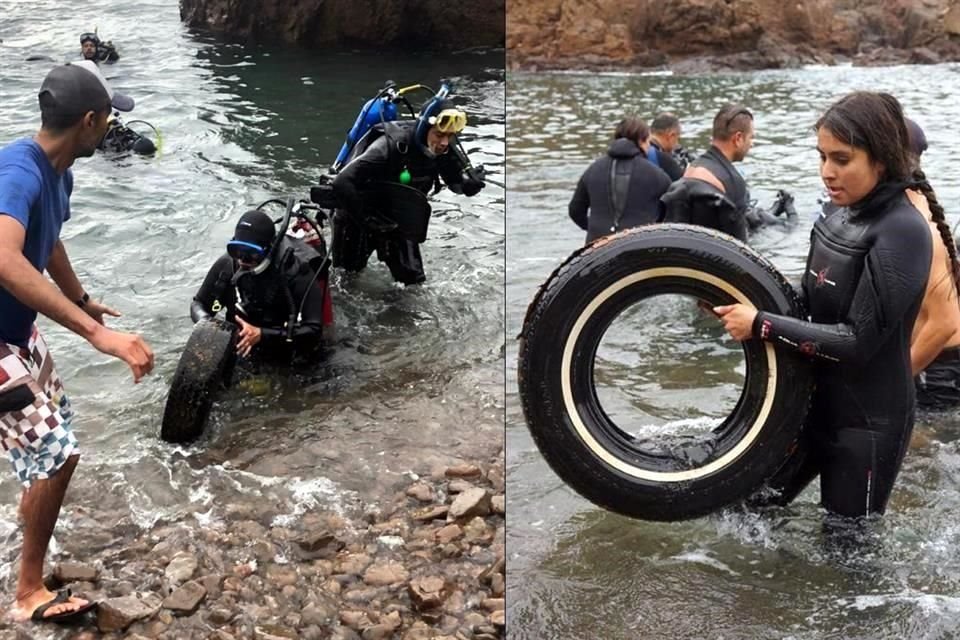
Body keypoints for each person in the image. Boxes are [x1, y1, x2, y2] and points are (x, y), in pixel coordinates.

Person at [714, 92, 933, 519]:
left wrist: (760, 323)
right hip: (814, 408)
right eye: (822, 157)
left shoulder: (902, 232)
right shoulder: (837, 216)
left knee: (846, 555)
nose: (827, 173)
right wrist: (738, 302)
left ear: (881, 160)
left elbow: (856, 341)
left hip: (867, 425)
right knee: (746, 512)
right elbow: (809, 301)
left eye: (842, 159)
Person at [0, 62, 153, 624]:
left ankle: (26, 544)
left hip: (18, 332)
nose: (113, 127)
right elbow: (4, 258)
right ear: (89, 121)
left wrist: (84, 301)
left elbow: (50, 238)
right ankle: (26, 593)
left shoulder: (57, 173)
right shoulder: (17, 170)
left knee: (55, 436)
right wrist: (98, 335)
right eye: (109, 118)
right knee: (58, 454)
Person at [331, 97, 485, 285]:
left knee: (413, 282)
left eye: (450, 136)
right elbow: (342, 182)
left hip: (397, 218)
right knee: (346, 279)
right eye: (439, 135)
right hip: (356, 214)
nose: (445, 142)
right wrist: (368, 220)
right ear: (425, 129)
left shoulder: (443, 148)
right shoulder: (389, 146)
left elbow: (455, 183)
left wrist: (469, 186)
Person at [191, 209, 333, 361]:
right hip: (242, 342)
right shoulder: (227, 265)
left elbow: (313, 330)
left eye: (252, 252)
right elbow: (198, 303)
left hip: (284, 346)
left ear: (269, 250)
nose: (243, 259)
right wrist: (209, 324)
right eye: (237, 250)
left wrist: (262, 334)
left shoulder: (296, 272)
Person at [904, 120, 960, 409]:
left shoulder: (914, 220)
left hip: (939, 365)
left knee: (922, 443)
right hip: (930, 358)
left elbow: (944, 322)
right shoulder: (914, 203)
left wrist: (895, 383)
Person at [568, 116, 672, 244]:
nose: (649, 146)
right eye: (648, 142)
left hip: (597, 245)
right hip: (640, 245)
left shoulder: (593, 170)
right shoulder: (657, 175)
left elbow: (575, 210)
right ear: (641, 141)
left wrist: (594, 228)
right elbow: (672, 209)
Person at [660, 104, 755, 241]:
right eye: (751, 137)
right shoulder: (732, 181)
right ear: (738, 138)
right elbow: (740, 246)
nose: (752, 143)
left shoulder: (691, 169)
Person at [647, 113, 685, 181]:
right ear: (671, 135)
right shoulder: (665, 160)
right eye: (678, 138)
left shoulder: (636, 147)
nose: (677, 144)